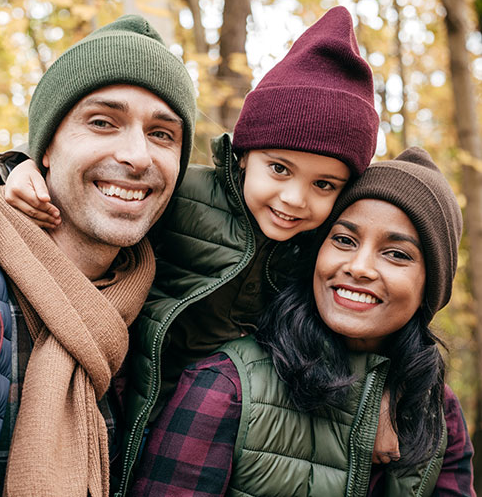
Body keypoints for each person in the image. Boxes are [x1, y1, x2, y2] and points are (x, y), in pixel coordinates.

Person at [0, 6, 393, 493]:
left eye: (324, 184)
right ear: (243, 156)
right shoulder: (183, 202)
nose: (293, 199)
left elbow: (368, 311)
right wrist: (17, 170)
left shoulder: (318, 248)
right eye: (280, 169)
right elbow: (81, 190)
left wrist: (383, 395)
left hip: (195, 448)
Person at [131, 147, 475, 496]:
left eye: (397, 254)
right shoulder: (226, 387)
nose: (358, 267)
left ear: (431, 285)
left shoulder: (437, 410)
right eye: (344, 239)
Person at [0, 14, 196, 496]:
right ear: (46, 150)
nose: (138, 156)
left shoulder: (175, 303)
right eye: (103, 123)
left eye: (163, 134)